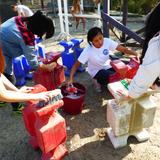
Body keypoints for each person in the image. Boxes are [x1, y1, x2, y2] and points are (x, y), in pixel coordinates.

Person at [0, 10, 56, 112]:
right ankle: (16, 108)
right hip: (3, 53)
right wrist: (46, 67)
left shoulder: (18, 20)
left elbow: (31, 50)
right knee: (10, 78)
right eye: (43, 34)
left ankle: (4, 99)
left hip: (5, 50)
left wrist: (17, 91)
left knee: (5, 76)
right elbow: (33, 64)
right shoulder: (26, 37)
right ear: (38, 29)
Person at [68, 27, 138, 92]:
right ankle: (96, 80)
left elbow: (123, 49)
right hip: (96, 70)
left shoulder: (107, 41)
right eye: (96, 41)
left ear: (102, 36)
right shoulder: (88, 50)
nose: (100, 42)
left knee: (123, 71)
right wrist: (71, 79)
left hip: (107, 65)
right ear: (91, 42)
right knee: (115, 78)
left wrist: (136, 54)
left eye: (101, 38)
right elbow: (75, 66)